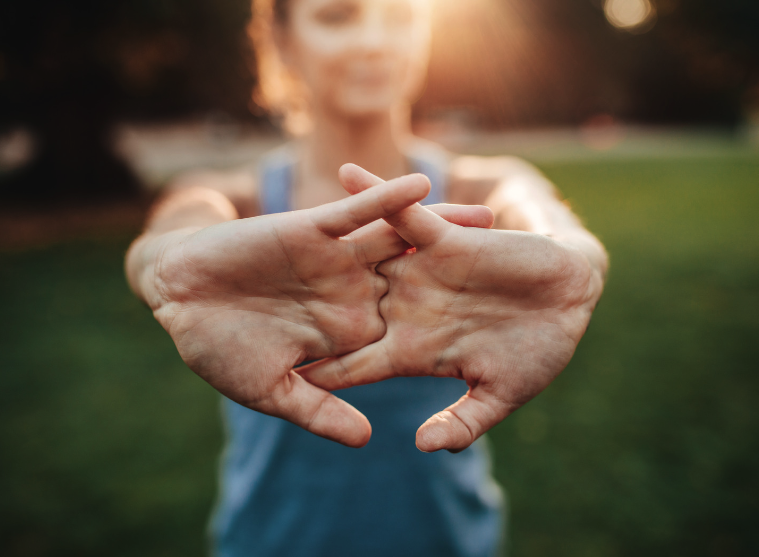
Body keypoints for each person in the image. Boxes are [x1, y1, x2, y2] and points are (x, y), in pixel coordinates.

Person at [125, 0, 608, 555]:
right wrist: (164, 268)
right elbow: (173, 236)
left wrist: (578, 263)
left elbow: (548, 224)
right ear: (281, 40)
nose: (375, 41)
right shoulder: (232, 197)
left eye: (400, 16)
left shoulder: (486, 186)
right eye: (337, 16)